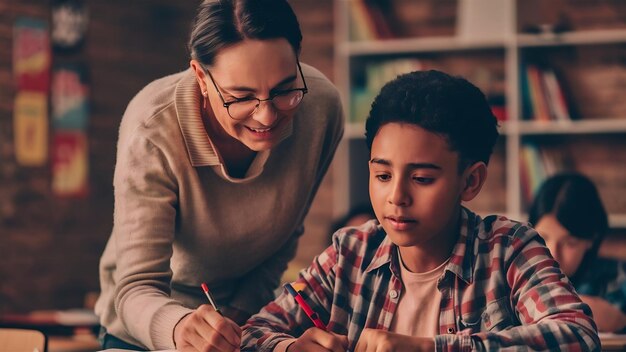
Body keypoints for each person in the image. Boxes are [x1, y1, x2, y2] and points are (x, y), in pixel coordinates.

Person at [241, 70, 600, 351]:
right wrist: (289, 347)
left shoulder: (508, 249)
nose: (396, 196)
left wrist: (430, 349)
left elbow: (577, 337)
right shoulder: (349, 252)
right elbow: (255, 333)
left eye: (423, 179)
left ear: (470, 182)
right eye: (382, 175)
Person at [94, 0, 344, 350]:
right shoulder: (152, 127)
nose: (267, 117)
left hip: (242, 326)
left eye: (285, 89)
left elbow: (283, 238)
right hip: (144, 327)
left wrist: (240, 317)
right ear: (200, 76)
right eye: (241, 96)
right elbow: (136, 287)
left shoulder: (321, 108)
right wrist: (180, 327)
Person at [529, 173, 626, 333]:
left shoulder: (618, 277)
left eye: (569, 243)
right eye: (542, 238)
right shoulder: (515, 275)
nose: (552, 254)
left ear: (591, 239)